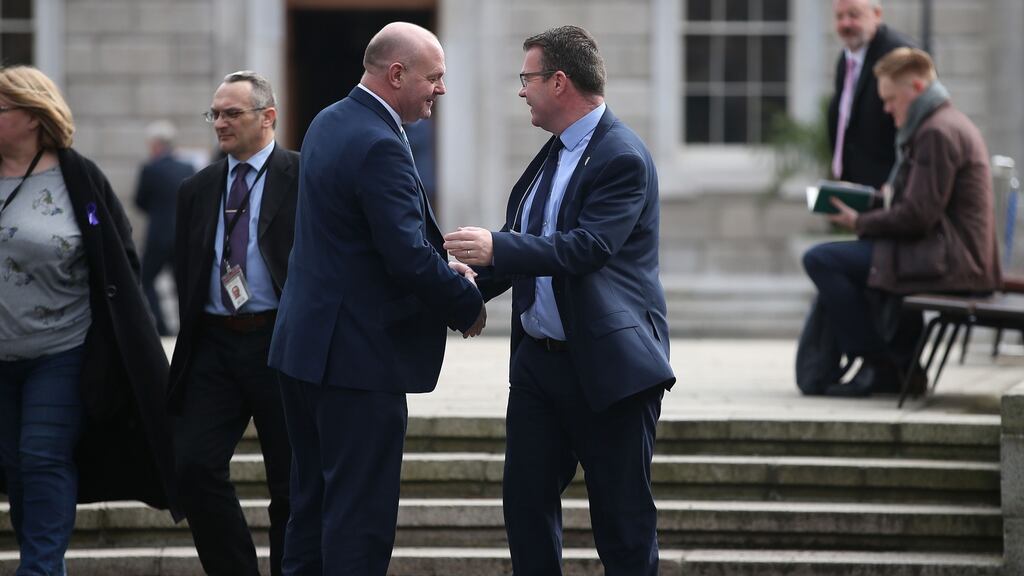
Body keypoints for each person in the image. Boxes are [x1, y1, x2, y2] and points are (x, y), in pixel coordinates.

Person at [442, 25, 675, 575]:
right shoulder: (551, 153)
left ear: (560, 82)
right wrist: (462, 289)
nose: (521, 91)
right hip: (538, 367)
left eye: (527, 79)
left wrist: (496, 246)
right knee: (525, 509)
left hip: (608, 371)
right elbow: (525, 245)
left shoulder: (622, 156)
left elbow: (586, 248)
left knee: (622, 525)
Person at [268, 22, 485, 575]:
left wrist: (439, 261)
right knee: (359, 520)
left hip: (305, 350)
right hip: (356, 362)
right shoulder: (380, 144)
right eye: (434, 78)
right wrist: (464, 302)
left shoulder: (327, 121)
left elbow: (358, 240)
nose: (440, 90)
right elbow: (405, 256)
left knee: (310, 507)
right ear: (396, 73)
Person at [0, 65, 178, 575]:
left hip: (61, 349)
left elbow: (117, 259)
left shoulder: (78, 178)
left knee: (41, 455)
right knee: (16, 465)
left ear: (33, 117)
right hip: (1, 355)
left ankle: (40, 568)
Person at [803, 48, 1001, 397]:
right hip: (947, 253)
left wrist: (860, 220)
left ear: (917, 88)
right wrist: (870, 200)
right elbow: (918, 203)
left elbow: (917, 216)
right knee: (845, 261)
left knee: (822, 260)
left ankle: (882, 364)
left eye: (892, 99)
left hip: (952, 261)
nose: (887, 108)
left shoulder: (936, 133)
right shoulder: (940, 124)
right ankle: (891, 362)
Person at [168, 70, 298, 576]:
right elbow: (187, 269)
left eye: (231, 113)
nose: (219, 123)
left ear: (268, 117)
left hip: (279, 343)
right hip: (215, 347)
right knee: (194, 467)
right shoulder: (196, 189)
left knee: (291, 482)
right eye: (215, 113)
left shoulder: (302, 175)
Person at [829, 0, 914, 188]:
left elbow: (915, 126)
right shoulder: (845, 58)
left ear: (877, 14)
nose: (845, 24)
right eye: (839, 16)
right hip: (852, 184)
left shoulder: (898, 55)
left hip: (887, 189)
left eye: (853, 15)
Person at [134, 120, 195, 335]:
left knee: (146, 279)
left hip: (158, 234)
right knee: (182, 283)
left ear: (156, 144)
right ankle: (186, 325)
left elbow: (139, 200)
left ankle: (161, 326)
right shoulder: (187, 167)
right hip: (183, 235)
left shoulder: (150, 168)